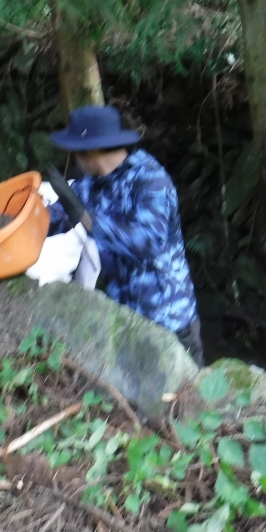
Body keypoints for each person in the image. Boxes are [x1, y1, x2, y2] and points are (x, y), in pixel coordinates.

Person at [45, 105, 204, 366]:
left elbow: (146, 244)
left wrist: (87, 220)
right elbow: (55, 216)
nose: (73, 159)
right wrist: (0, 210)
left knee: (188, 404)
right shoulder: (90, 183)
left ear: (91, 152)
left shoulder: (151, 179)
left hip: (170, 322)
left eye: (76, 152)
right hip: (125, 322)